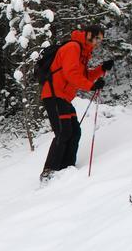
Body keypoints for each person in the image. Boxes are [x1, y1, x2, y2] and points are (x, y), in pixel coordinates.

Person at [39, 26, 113, 182]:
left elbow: (84, 75)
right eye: (97, 38)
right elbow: (70, 74)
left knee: (74, 132)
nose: (99, 42)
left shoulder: (83, 53)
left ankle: (66, 170)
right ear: (89, 35)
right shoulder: (72, 47)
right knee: (64, 132)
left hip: (64, 97)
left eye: (101, 39)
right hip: (53, 94)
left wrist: (101, 69)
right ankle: (49, 172)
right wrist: (90, 86)